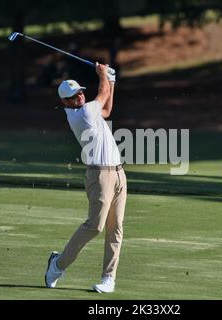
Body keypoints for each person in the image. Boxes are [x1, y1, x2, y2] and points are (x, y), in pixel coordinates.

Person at [44, 63, 126, 293]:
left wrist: (112, 81)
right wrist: (104, 75)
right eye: (73, 95)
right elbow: (103, 94)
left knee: (116, 228)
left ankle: (108, 278)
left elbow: (107, 110)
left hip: (119, 173)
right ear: (65, 102)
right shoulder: (82, 114)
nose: (79, 96)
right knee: (95, 226)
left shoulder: (88, 109)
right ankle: (57, 265)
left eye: (80, 91)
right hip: (99, 175)